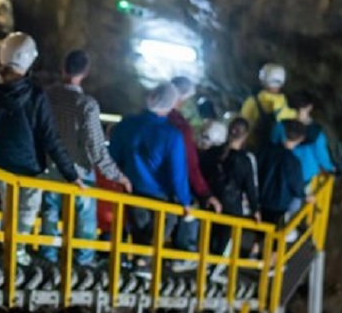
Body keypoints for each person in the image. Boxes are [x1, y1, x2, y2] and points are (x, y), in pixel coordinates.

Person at [0, 32, 81, 264]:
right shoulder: (35, 94)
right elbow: (49, 137)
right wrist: (70, 174)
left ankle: (8, 245)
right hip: (29, 167)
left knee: (8, 205)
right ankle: (16, 250)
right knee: (26, 210)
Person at [37, 50, 130, 268]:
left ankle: (47, 254)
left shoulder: (46, 96)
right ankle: (83, 259)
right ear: (86, 72)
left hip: (49, 167)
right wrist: (118, 176)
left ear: (63, 68)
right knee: (85, 217)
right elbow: (97, 148)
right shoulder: (86, 104)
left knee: (50, 211)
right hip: (79, 173)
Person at [109, 82, 193, 254]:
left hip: (132, 191)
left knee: (139, 239)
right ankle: (143, 267)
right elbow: (178, 174)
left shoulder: (127, 124)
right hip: (160, 198)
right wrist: (185, 201)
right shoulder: (172, 135)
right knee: (153, 243)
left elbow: (112, 157)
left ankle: (136, 268)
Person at [168, 77, 221, 256]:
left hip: (144, 184)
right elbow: (190, 165)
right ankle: (184, 254)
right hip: (171, 186)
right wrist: (205, 193)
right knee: (189, 211)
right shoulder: (181, 127)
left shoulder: (150, 119)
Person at [200, 118, 260, 257]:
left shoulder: (213, 152)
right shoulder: (245, 160)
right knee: (224, 242)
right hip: (232, 207)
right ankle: (214, 268)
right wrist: (255, 210)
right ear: (245, 136)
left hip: (211, 202)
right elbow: (250, 188)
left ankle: (205, 264)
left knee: (209, 237)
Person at [272, 91, 336, 185]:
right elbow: (321, 155)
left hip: (281, 169)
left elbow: (273, 143)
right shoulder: (317, 132)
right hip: (304, 174)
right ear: (310, 107)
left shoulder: (282, 124)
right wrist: (330, 168)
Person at [258, 119, 311, 227]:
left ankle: (256, 243)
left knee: (261, 226)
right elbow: (296, 185)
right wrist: (304, 196)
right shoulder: (293, 161)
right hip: (279, 203)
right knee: (275, 230)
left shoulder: (267, 150)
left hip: (262, 197)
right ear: (300, 139)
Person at [241, 63, 294, 149]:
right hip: (276, 150)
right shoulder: (282, 102)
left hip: (255, 146)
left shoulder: (251, 102)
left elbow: (243, 124)